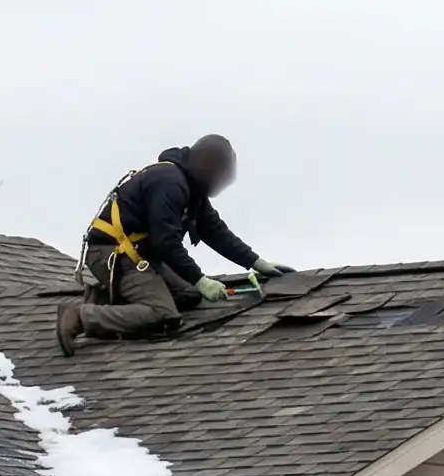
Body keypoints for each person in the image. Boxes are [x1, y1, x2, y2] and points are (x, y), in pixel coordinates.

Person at [57, 134, 290, 353]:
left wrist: (255, 262)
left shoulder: (191, 191)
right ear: (209, 168)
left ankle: (107, 300)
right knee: (164, 314)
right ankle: (79, 316)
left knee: (189, 295)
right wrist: (200, 279)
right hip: (113, 255)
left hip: (139, 256)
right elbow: (165, 242)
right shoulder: (170, 183)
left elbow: (215, 231)